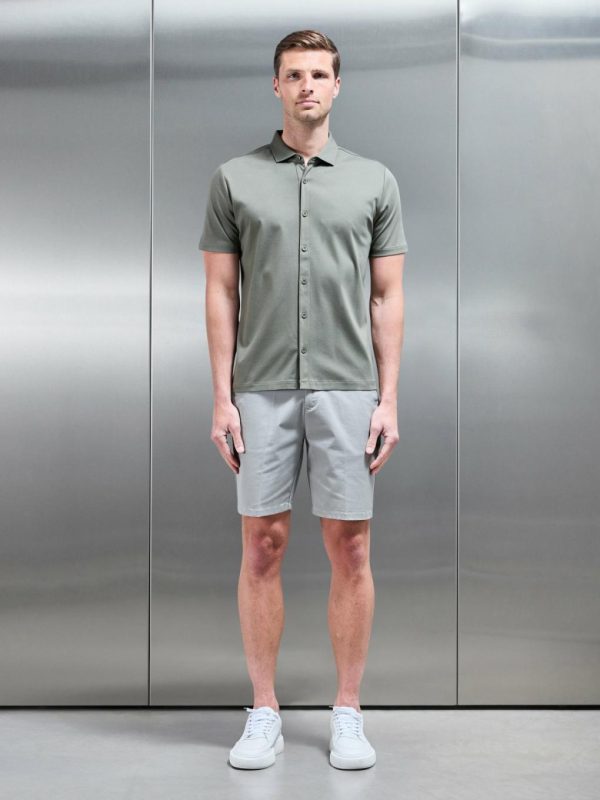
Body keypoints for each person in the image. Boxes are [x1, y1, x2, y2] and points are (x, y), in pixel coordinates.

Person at [199, 29, 408, 771]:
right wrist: (221, 397)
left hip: (349, 386)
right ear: (277, 86)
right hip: (259, 388)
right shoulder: (234, 179)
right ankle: (264, 711)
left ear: (337, 86)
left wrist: (388, 397)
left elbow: (387, 297)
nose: (308, 85)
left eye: (320, 74)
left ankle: (348, 710)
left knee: (352, 547)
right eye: (294, 75)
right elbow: (221, 292)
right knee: (262, 545)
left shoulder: (375, 181)